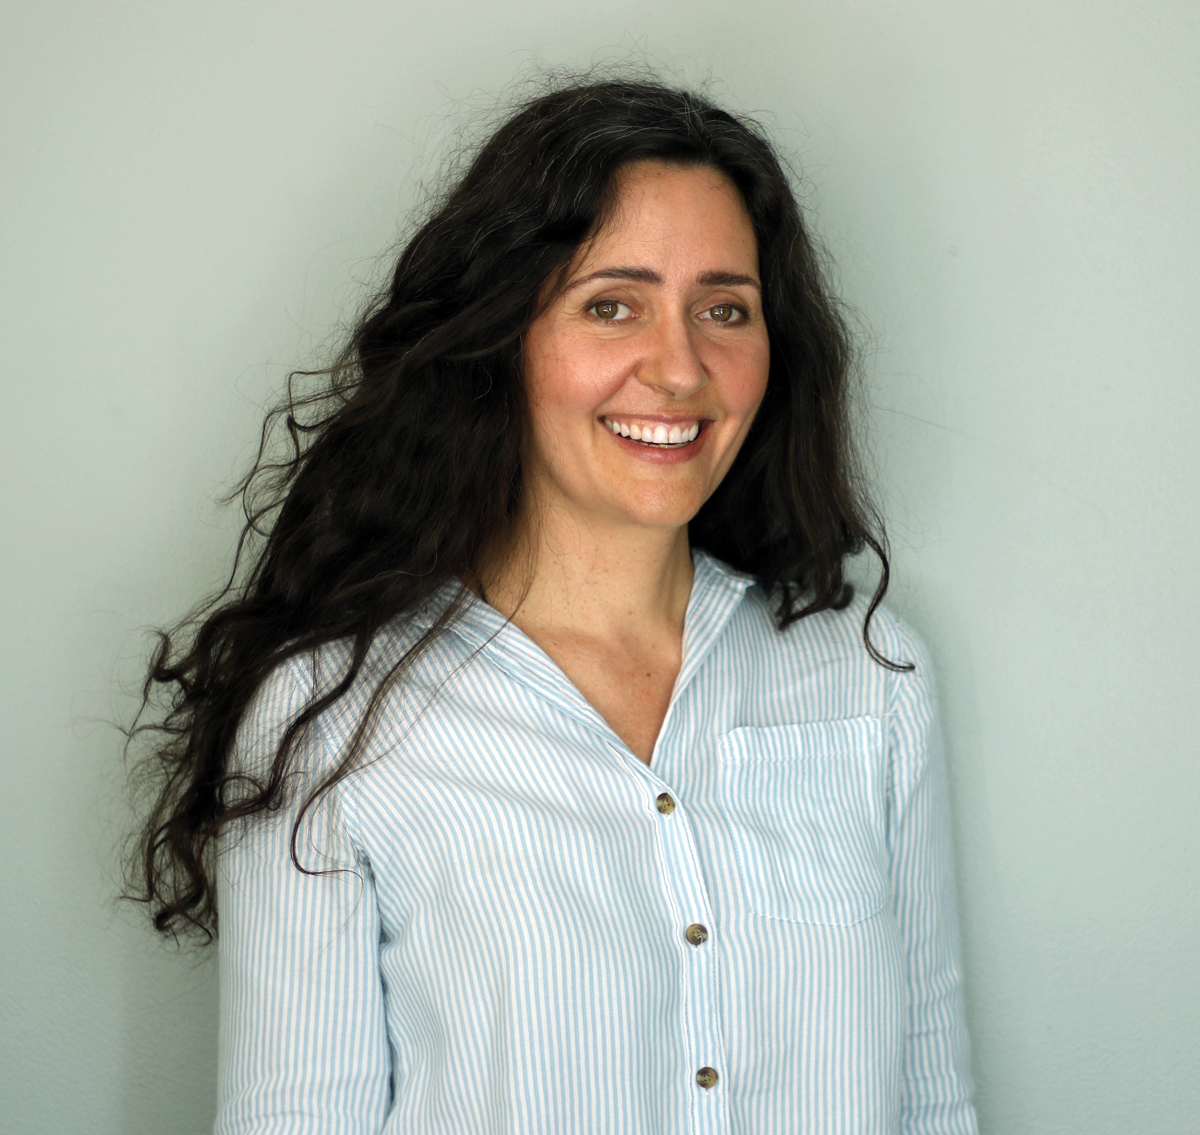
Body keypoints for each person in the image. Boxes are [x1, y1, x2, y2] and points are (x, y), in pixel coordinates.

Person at [127, 77, 978, 1134]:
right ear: (505, 337)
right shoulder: (333, 716)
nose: (679, 368)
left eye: (725, 310)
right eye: (611, 304)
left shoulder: (869, 673)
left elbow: (932, 1099)